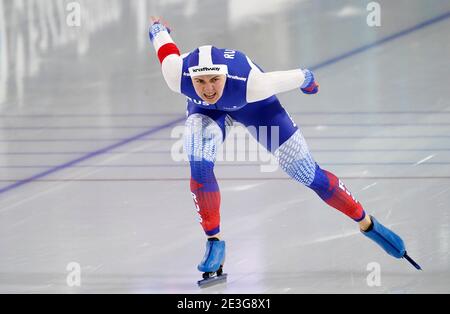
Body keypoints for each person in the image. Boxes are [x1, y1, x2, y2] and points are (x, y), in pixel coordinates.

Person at [148, 17, 420, 284]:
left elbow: (302, 76)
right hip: (206, 114)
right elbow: (164, 44)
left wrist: (310, 82)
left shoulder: (253, 83)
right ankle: (214, 242)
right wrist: (158, 28)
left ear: (225, 75)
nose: (208, 89)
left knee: (307, 174)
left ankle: (367, 223)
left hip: (255, 107)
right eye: (201, 82)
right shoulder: (176, 74)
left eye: (214, 80)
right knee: (199, 163)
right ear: (190, 78)